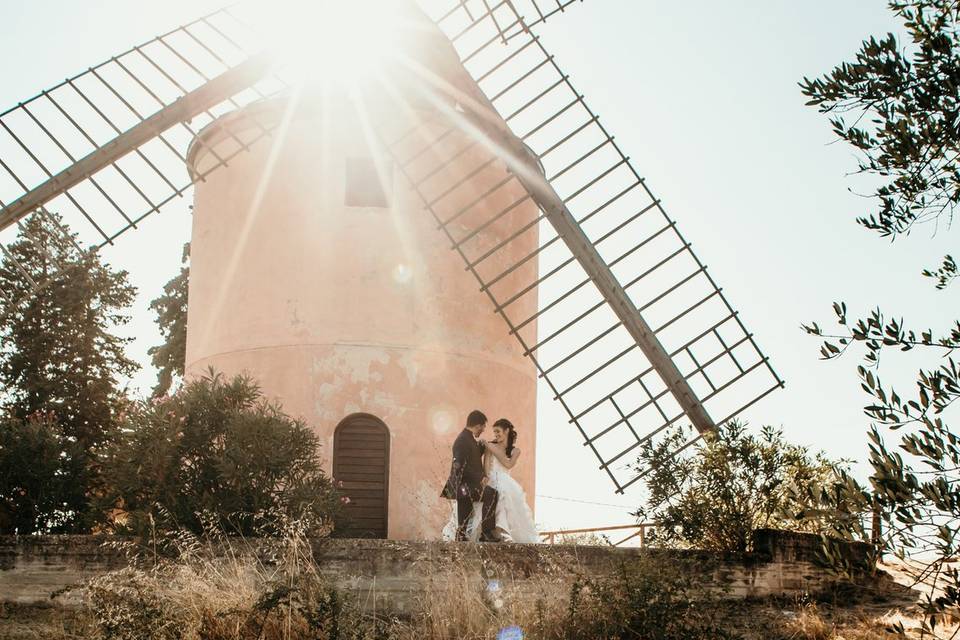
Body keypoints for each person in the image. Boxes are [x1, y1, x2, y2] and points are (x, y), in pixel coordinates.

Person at [442, 417, 538, 543]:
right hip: (491, 478)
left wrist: (490, 446)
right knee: (490, 495)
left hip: (506, 481)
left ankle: (502, 534)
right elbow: (486, 467)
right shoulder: (490, 446)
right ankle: (485, 532)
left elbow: (508, 464)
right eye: (494, 432)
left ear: (507, 431)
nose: (496, 434)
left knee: (506, 497)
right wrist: (486, 477)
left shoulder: (515, 451)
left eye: (498, 431)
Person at [441, 410, 499, 542]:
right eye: (483, 427)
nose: (483, 430)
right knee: (491, 494)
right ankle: (486, 533)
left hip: (467, 485)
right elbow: (460, 466)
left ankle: (463, 536)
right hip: (464, 484)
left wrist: (485, 446)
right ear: (478, 425)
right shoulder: (462, 440)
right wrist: (480, 478)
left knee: (465, 511)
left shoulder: (468, 438)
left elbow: (473, 457)